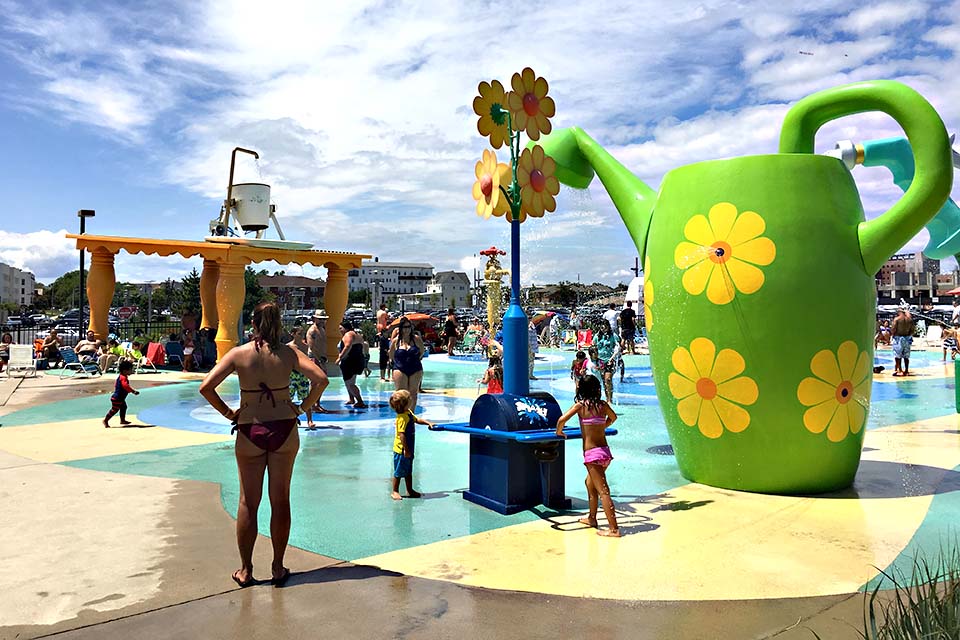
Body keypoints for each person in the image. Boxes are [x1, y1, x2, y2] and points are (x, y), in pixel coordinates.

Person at [199, 302, 327, 589]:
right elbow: (321, 379)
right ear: (279, 323)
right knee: (280, 500)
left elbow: (206, 387)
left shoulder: (239, 354)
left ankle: (246, 570)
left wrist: (229, 413)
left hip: (250, 429)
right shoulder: (289, 354)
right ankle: (278, 567)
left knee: (248, 502)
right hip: (284, 429)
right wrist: (300, 408)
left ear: (254, 324)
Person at [555, 375, 620, 537]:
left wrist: (559, 432)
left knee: (603, 491)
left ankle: (614, 529)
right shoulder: (603, 405)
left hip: (592, 455)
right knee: (590, 484)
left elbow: (561, 420)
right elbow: (614, 417)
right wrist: (602, 426)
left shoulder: (581, 406)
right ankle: (592, 518)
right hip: (604, 452)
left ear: (581, 390)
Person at [389, 389, 436, 500]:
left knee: (408, 470)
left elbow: (417, 420)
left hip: (409, 447)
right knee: (398, 471)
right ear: (405, 403)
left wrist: (428, 423)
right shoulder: (402, 418)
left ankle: (410, 490)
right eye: (409, 399)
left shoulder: (408, 413)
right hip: (401, 450)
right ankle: (395, 491)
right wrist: (406, 449)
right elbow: (401, 435)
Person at [287, 326, 328, 428]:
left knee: (306, 397)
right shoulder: (288, 347)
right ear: (293, 334)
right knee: (288, 398)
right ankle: (290, 417)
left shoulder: (305, 347)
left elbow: (309, 358)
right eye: (299, 334)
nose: (301, 336)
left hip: (302, 375)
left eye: (302, 334)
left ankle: (309, 420)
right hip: (291, 375)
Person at [390, 317, 426, 411]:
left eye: (409, 327)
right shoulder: (396, 341)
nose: (407, 329)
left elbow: (422, 352)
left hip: (415, 367)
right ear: (400, 328)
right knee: (401, 394)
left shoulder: (416, 339)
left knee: (413, 393)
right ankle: (402, 414)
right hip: (400, 368)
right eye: (404, 327)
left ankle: (411, 414)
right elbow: (392, 355)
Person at [336, 319, 367, 408]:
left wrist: (340, 358)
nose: (339, 330)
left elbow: (347, 346)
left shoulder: (348, 334)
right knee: (349, 382)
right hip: (357, 360)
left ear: (346, 328)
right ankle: (351, 398)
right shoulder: (357, 335)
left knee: (350, 384)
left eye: (341, 328)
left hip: (350, 362)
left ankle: (360, 401)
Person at [103, 360, 139, 428]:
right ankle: (105, 420)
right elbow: (125, 386)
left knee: (124, 407)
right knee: (114, 410)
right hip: (117, 398)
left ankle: (122, 420)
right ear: (125, 371)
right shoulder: (123, 378)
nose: (132, 371)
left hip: (121, 398)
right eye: (130, 370)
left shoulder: (122, 376)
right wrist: (133, 391)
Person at [595, 321, 620, 403]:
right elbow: (593, 347)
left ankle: (610, 399)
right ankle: (605, 398)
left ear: (608, 327)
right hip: (600, 361)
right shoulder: (597, 336)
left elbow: (618, 348)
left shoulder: (613, 336)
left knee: (608, 379)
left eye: (605, 327)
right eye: (602, 327)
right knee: (602, 381)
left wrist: (613, 358)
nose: (603, 329)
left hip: (610, 360)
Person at [891, 308, 915, 377]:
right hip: (907, 338)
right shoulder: (909, 320)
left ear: (899, 312)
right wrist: (908, 335)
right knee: (906, 356)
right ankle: (906, 370)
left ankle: (899, 370)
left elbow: (893, 329)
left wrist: (893, 335)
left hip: (898, 338)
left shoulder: (897, 319)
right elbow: (913, 330)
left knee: (897, 355)